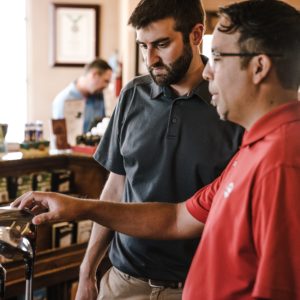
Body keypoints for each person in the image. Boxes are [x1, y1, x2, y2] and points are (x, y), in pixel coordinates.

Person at [13, 0, 300, 299]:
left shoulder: (281, 162)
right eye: (143, 46)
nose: (209, 72)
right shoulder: (253, 152)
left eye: (218, 57)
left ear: (259, 66)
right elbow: (176, 218)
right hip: (125, 277)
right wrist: (78, 212)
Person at [62, 0, 242, 299]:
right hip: (123, 281)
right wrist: (87, 271)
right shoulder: (132, 95)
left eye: (161, 44)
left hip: (198, 285)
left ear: (196, 35)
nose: (151, 58)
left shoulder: (232, 102)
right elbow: (116, 187)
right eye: (143, 46)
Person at [52, 58, 112, 133]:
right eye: (105, 81)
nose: (106, 86)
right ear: (94, 74)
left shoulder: (99, 95)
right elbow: (59, 138)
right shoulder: (63, 100)